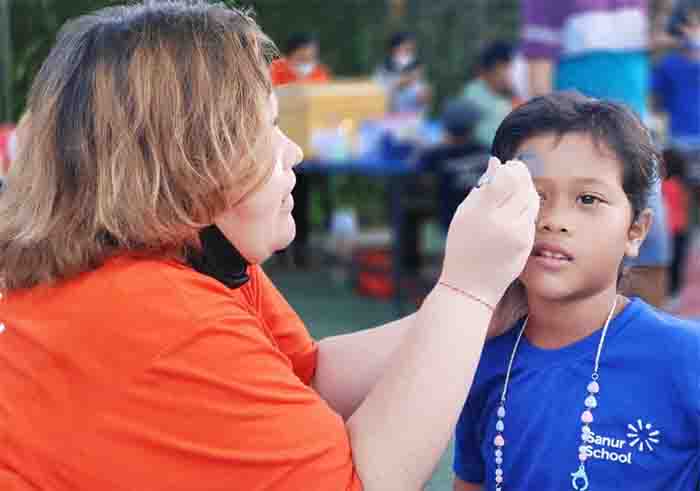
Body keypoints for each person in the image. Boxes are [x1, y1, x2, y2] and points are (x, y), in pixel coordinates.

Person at [0, 2, 541, 490]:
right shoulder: (163, 318)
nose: (295, 152)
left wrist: (485, 311)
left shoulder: (188, 255)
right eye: (269, 127)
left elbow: (305, 375)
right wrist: (466, 290)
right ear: (192, 161)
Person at [452, 92, 700, 491]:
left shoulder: (687, 359)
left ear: (635, 231)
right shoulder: (479, 355)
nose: (553, 220)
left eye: (588, 199)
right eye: (534, 196)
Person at [521, 0, 672, 307]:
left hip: (637, 141)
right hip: (578, 146)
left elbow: (651, 45)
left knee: (652, 243)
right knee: (573, 247)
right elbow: (539, 81)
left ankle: (648, 340)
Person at [270, 32, 331, 267]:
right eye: (303, 54)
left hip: (310, 149)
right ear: (291, 53)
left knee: (303, 199)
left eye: (311, 55)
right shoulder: (276, 71)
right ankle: (280, 253)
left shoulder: (319, 72)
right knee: (280, 198)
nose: (308, 59)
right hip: (280, 146)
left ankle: (303, 249)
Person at [460, 41, 518, 148]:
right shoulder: (473, 94)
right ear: (492, 69)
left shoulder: (507, 95)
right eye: (505, 68)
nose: (509, 74)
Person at [374, 32, 432, 114]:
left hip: (414, 117)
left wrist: (425, 95)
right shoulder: (383, 68)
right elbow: (378, 94)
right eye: (406, 47)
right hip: (389, 118)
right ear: (395, 48)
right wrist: (402, 82)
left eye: (410, 49)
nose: (409, 49)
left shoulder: (416, 67)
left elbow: (423, 97)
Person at [661, 148, 691, 294]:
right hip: (681, 227)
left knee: (668, 264)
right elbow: (685, 205)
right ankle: (675, 292)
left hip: (668, 228)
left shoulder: (665, 185)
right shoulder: (683, 184)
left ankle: (669, 293)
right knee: (677, 263)